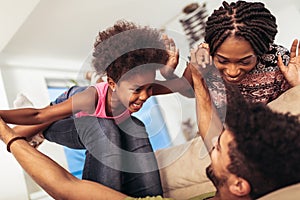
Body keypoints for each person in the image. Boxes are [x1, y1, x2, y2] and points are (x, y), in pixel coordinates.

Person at [0, 80, 299, 200]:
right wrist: (197, 74)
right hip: (76, 112)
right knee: (129, 125)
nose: (213, 146)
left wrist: (8, 136)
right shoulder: (249, 178)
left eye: (219, 148)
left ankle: (37, 131)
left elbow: (68, 187)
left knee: (104, 126)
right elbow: (40, 113)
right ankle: (41, 128)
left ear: (238, 184)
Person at [0, 20, 189, 197]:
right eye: (138, 90)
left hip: (96, 117)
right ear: (113, 84)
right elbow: (39, 115)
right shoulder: (90, 98)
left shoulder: (137, 85)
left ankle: (34, 134)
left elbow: (186, 87)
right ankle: (38, 134)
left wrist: (168, 73)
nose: (146, 95)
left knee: (134, 126)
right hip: (68, 113)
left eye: (149, 88)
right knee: (30, 129)